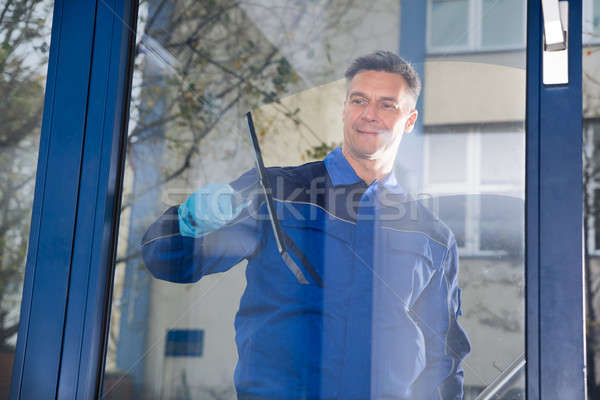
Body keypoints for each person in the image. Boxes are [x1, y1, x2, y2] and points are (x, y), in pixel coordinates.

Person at [141, 50, 470, 399]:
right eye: (359, 100)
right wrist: (190, 220)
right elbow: (165, 258)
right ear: (344, 109)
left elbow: (444, 358)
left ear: (409, 120)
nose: (369, 114)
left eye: (387, 105)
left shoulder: (431, 236)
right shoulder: (275, 194)